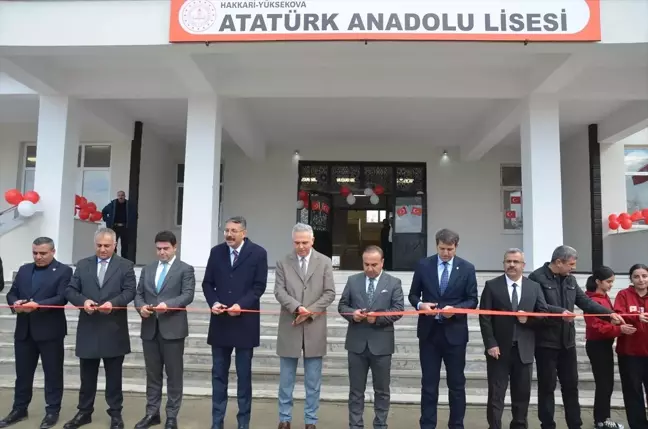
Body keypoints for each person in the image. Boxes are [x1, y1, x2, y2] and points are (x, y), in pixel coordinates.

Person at [529, 245, 625, 429]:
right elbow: (538, 305)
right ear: (558, 262)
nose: (573, 268)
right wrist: (560, 312)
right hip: (546, 342)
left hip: (567, 342)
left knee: (571, 386)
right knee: (547, 387)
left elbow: (585, 302)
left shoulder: (570, 280)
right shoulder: (537, 277)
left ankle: (575, 424)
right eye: (571, 264)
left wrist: (608, 314)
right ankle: (547, 424)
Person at [63, 228, 137, 429]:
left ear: (115, 245)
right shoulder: (83, 264)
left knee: (114, 377)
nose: (102, 249)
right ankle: (84, 412)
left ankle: (115, 413)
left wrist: (113, 304)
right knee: (87, 376)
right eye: (99, 245)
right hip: (89, 326)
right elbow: (70, 290)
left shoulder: (126, 266)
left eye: (107, 245)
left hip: (113, 328)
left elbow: (130, 291)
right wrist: (82, 301)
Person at [408, 228, 478, 429]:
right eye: (442, 249)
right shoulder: (424, 265)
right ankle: (427, 425)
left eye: (450, 249)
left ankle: (456, 425)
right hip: (429, 334)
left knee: (456, 385)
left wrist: (455, 310)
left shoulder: (467, 268)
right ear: (436, 245)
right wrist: (421, 305)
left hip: (455, 334)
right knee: (429, 385)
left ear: (456, 246)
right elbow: (413, 295)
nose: (446, 253)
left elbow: (472, 300)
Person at [202, 216, 268, 429]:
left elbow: (259, 287)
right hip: (220, 322)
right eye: (226, 230)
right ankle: (216, 422)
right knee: (218, 376)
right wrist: (214, 302)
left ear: (244, 233)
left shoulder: (258, 253)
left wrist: (241, 305)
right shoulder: (216, 252)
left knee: (243, 377)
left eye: (234, 231)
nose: (229, 234)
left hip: (244, 323)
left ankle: (243, 424)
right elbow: (207, 283)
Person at [0, 237, 71, 429]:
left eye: (42, 253)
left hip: (50, 331)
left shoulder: (64, 271)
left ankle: (52, 411)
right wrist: (16, 304)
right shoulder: (24, 269)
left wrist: (38, 306)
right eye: (35, 253)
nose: (38, 257)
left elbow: (62, 297)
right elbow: (11, 292)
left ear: (53, 252)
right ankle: (19, 409)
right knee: (22, 374)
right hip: (24, 330)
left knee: (52, 373)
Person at [478, 248, 550, 429]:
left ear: (523, 266)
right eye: (508, 261)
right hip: (498, 350)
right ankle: (494, 426)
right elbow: (484, 317)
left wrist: (529, 319)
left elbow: (544, 314)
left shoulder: (534, 287)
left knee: (522, 393)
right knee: (496, 393)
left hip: (524, 350)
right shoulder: (492, 286)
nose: (511, 265)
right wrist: (491, 343)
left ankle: (519, 425)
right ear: (503, 264)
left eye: (515, 262)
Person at [274, 223, 336, 429]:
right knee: (286, 379)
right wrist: (297, 307)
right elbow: (279, 291)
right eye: (297, 242)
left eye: (305, 242)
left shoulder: (324, 262)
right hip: (290, 324)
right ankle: (284, 418)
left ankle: (311, 420)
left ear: (312, 241)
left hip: (314, 325)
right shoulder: (283, 262)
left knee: (313, 380)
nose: (301, 246)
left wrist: (309, 311)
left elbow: (329, 293)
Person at [133, 231, 196, 429]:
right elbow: (139, 294)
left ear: (174, 247)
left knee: (174, 374)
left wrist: (168, 305)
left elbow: (187, 295)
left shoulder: (185, 269)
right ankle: (152, 413)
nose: (162, 252)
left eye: (166, 249)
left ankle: (171, 415)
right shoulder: (148, 269)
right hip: (150, 328)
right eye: (159, 249)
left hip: (173, 329)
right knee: (153, 374)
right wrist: (140, 307)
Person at [337, 245, 404, 429]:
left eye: (374, 264)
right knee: (356, 391)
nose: (369, 268)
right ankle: (355, 425)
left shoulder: (393, 283)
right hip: (356, 344)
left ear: (382, 262)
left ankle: (380, 424)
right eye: (366, 264)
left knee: (382, 390)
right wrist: (353, 314)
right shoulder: (353, 281)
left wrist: (379, 318)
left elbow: (398, 310)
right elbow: (342, 306)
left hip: (381, 344)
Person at [584, 266, 629, 429]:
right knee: (604, 383)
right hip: (597, 345)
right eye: (609, 282)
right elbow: (596, 326)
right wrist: (619, 330)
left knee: (607, 383)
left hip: (604, 344)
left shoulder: (603, 297)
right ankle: (601, 420)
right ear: (598, 281)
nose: (611, 285)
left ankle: (602, 418)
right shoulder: (592, 301)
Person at [613, 263, 648, 429]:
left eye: (644, 276)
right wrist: (636, 317)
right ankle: (638, 425)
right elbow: (619, 315)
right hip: (630, 354)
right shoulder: (624, 294)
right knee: (633, 392)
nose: (641, 280)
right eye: (636, 276)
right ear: (631, 279)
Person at [101, 190, 137, 260]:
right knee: (113, 244)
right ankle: (114, 260)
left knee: (125, 246)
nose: (121, 197)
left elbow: (135, 215)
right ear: (117, 196)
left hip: (125, 228)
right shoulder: (112, 204)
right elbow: (104, 211)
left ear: (124, 196)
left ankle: (124, 261)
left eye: (122, 195)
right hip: (114, 227)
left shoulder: (129, 205)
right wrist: (107, 220)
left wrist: (132, 223)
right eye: (119, 195)